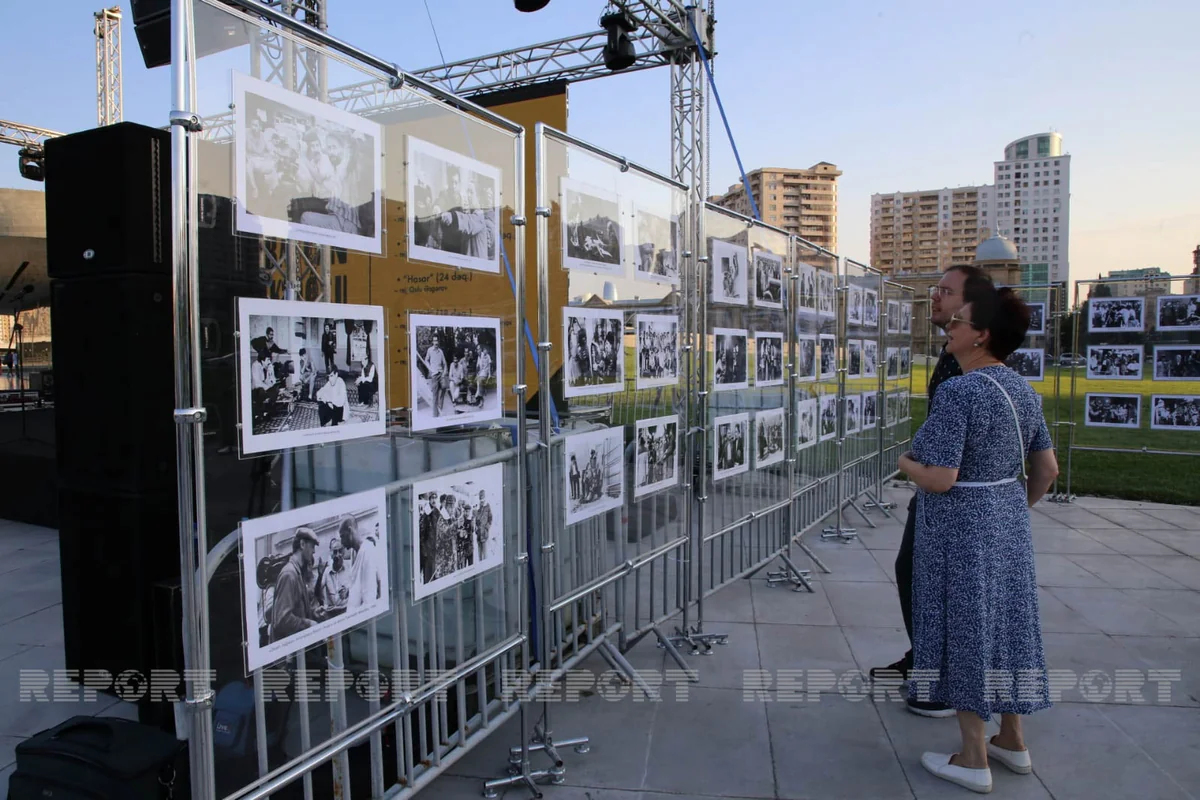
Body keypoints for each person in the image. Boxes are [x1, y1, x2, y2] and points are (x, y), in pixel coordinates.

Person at [898, 287, 1059, 793]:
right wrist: (1009, 510)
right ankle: (1012, 739)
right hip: (1006, 520)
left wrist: (905, 464)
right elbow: (1047, 469)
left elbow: (940, 477)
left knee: (963, 629)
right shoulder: (1021, 390)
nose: (950, 328)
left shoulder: (959, 392)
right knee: (1008, 626)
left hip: (959, 528)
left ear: (981, 335)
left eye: (957, 322)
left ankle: (972, 755)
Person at [870, 264, 996, 718]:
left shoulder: (971, 368)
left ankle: (940, 679)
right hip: (950, 495)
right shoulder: (954, 357)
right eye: (936, 289)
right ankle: (926, 658)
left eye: (946, 291)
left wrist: (910, 464)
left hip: (953, 497)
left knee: (931, 580)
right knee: (915, 572)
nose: (936, 297)